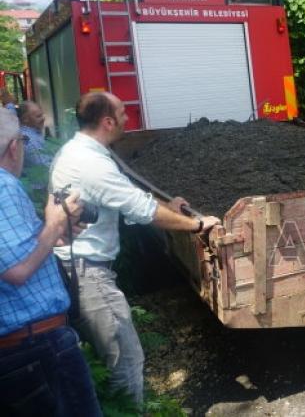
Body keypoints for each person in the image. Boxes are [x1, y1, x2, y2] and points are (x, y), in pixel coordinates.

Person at [49, 92, 221, 405]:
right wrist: (197, 225)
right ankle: (130, 412)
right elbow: (143, 211)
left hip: (79, 268)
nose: (128, 118)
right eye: (123, 113)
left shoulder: (77, 151)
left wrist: (167, 205)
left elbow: (129, 197)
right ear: (107, 121)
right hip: (90, 276)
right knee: (126, 361)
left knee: (114, 359)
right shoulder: (92, 164)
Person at [0, 107, 102, 417]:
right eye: (23, 141)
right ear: (14, 146)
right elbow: (17, 271)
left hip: (25, 348)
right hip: (37, 346)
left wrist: (57, 234)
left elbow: (19, 253)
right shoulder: (3, 186)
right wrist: (55, 225)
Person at [18, 100, 52, 169]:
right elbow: (43, 168)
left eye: (42, 114)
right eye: (38, 116)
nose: (43, 118)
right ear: (25, 119)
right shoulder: (29, 140)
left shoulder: (33, 133)